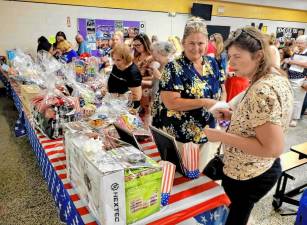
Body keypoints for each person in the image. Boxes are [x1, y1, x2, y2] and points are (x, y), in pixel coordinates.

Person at [204, 27, 293, 225]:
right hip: (258, 168)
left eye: (237, 56)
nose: (231, 62)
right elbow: (265, 121)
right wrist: (234, 116)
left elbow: (272, 148)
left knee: (236, 216)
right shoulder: (275, 76)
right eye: (229, 56)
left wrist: (220, 136)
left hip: (249, 173)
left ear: (259, 55)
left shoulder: (262, 90)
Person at [152, 17, 224, 170]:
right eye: (191, 43)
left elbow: (221, 89)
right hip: (181, 135)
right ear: (183, 42)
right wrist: (204, 102)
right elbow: (171, 102)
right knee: (183, 177)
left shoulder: (212, 63)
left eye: (201, 43)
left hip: (207, 131)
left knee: (203, 175)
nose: (196, 48)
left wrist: (220, 106)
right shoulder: (173, 67)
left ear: (207, 44)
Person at [107, 44, 142, 109]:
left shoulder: (133, 73)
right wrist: (106, 89)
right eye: (114, 59)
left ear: (126, 58)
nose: (115, 62)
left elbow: (137, 96)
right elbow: (112, 80)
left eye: (118, 60)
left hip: (126, 108)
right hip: (114, 103)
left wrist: (118, 96)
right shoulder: (116, 66)